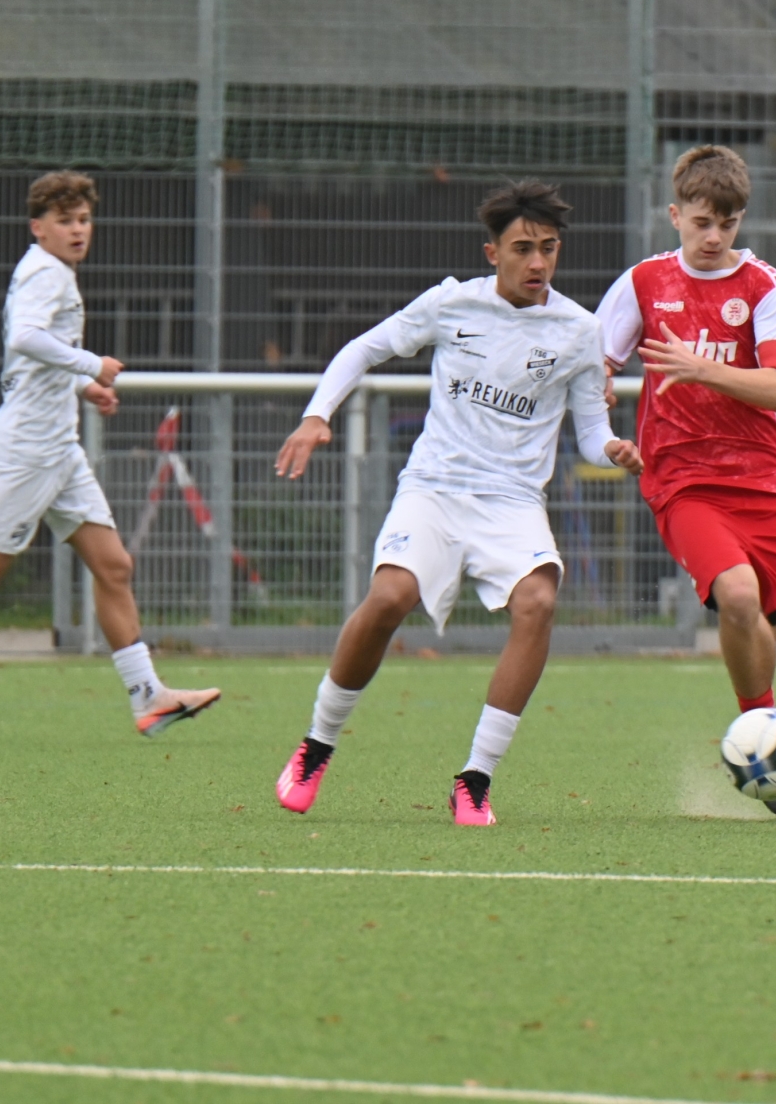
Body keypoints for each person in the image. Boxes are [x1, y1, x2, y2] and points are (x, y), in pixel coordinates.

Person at [271, 181, 642, 826]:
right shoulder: (451, 303)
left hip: (513, 501)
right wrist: (316, 415)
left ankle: (475, 780)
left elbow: (590, 431)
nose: (537, 262)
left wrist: (612, 449)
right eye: (522, 248)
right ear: (492, 252)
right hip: (435, 489)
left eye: (549, 248)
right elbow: (364, 348)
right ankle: (316, 746)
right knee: (389, 598)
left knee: (538, 602)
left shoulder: (581, 331)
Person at [598, 145, 776, 821]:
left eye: (728, 223)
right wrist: (603, 428)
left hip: (767, 485)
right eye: (702, 222)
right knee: (738, 594)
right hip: (683, 481)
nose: (714, 236)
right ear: (675, 214)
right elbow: (590, 367)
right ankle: (758, 740)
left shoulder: (766, 288)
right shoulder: (644, 283)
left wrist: (700, 368)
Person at [0, 171, 219, 734]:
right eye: (64, 221)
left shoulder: (50, 270)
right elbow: (25, 338)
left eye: (84, 219)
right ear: (38, 227)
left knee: (114, 566)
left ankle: (149, 698)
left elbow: (35, 357)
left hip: (58, 449)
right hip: (31, 450)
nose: (77, 229)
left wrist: (83, 388)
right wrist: (92, 365)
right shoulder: (47, 272)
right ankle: (148, 696)